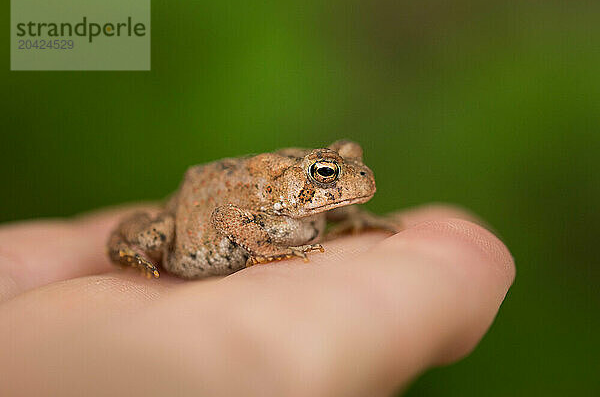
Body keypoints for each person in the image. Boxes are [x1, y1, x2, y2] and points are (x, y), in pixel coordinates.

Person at [0, 203, 514, 397]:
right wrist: (267, 250)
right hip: (193, 229)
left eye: (345, 168)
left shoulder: (304, 212)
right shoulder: (265, 207)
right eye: (327, 176)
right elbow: (229, 219)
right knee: (153, 230)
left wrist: (350, 216)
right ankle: (125, 247)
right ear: (298, 184)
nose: (351, 181)